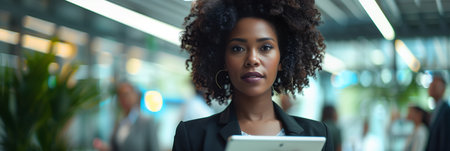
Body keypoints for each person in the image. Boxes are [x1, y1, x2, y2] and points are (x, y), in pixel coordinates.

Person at [172, 0, 333, 150]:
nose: (252, 59)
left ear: (282, 59)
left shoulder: (317, 135)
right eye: (238, 48)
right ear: (223, 60)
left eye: (265, 47)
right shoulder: (192, 137)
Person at [93, 82, 159, 151]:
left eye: (127, 94)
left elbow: (154, 148)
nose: (124, 99)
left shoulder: (147, 122)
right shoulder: (120, 122)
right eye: (120, 95)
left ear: (135, 96)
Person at [425, 75, 450, 151]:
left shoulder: (446, 112)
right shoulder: (436, 110)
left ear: (443, 89)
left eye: (435, 85)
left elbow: (445, 142)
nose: (431, 87)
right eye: (431, 84)